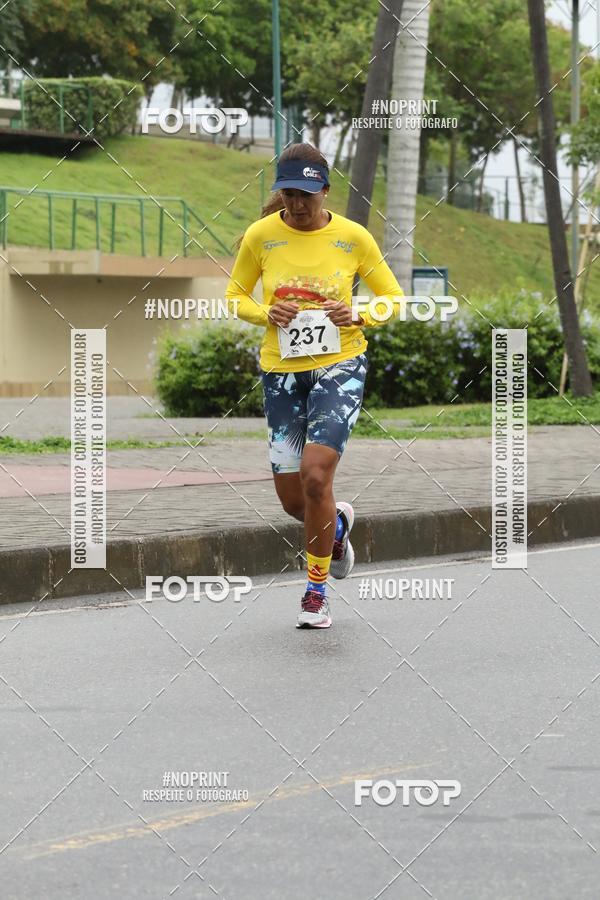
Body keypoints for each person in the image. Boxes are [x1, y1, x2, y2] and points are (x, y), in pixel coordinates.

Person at [225, 143, 403, 629]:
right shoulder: (262, 236)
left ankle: (316, 593)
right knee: (293, 502)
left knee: (316, 477)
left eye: (306, 194)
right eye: (289, 194)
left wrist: (359, 313)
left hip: (340, 365)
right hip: (281, 372)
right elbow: (235, 296)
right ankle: (337, 526)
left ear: (325, 190)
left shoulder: (353, 237)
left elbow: (392, 298)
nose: (297, 203)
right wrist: (267, 312)